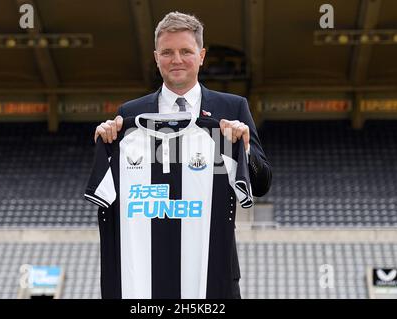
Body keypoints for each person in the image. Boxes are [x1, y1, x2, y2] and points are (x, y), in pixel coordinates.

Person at [93, 11, 272, 298]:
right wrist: (107, 137)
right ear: (156, 57)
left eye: (185, 51)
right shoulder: (131, 114)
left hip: (211, 273)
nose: (176, 60)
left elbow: (262, 184)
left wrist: (245, 148)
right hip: (146, 276)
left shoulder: (232, 109)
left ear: (201, 55)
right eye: (167, 52)